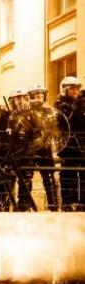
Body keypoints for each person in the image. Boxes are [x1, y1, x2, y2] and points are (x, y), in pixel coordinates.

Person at [25, 84, 58, 211]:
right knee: (27, 176)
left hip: (45, 148)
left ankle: (53, 204)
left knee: (48, 176)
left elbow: (54, 128)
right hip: (31, 148)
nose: (39, 96)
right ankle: (26, 204)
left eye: (41, 94)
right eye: (36, 94)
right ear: (31, 96)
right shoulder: (27, 110)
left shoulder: (49, 111)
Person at [55, 76, 84, 211]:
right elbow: (67, 123)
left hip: (82, 144)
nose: (75, 91)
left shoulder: (81, 103)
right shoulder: (60, 105)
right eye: (72, 89)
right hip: (68, 145)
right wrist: (77, 108)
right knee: (68, 174)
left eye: (77, 88)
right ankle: (67, 202)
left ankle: (82, 203)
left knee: (83, 174)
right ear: (65, 90)